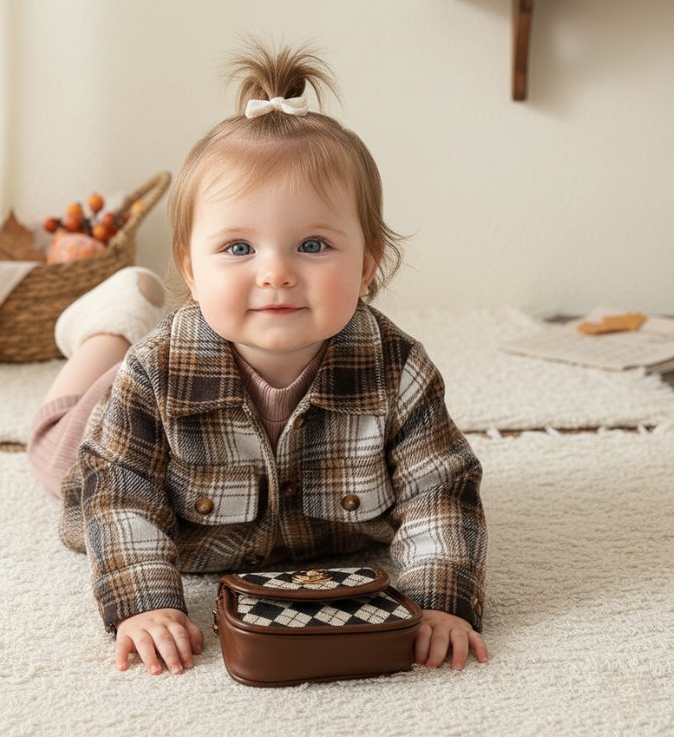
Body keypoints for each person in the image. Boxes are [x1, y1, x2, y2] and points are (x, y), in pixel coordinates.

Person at [28, 40, 488, 677]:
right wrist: (144, 603)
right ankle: (104, 330)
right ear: (190, 267)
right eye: (239, 247)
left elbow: (440, 489)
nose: (276, 273)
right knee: (51, 442)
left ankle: (116, 325)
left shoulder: (396, 369)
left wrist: (440, 600)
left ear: (368, 263)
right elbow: (120, 495)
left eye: (312, 244)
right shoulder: (154, 373)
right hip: (112, 416)